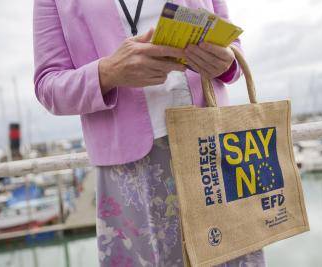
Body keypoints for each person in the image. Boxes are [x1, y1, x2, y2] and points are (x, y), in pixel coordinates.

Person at [33, 0, 266, 266]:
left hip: (216, 148)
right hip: (129, 173)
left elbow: (234, 49)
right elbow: (47, 86)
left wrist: (227, 62)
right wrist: (108, 71)